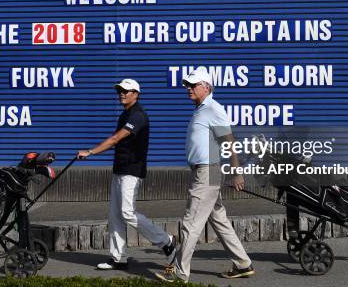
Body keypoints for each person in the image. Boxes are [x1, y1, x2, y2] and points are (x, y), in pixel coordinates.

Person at [155, 67, 255, 283]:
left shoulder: (213, 109)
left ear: (207, 87)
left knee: (190, 223)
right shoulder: (201, 109)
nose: (188, 89)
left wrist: (237, 173)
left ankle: (180, 274)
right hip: (202, 171)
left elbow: (229, 142)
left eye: (193, 85)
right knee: (219, 220)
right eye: (188, 85)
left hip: (207, 171)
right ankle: (243, 263)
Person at [77, 79, 176, 270]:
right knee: (115, 215)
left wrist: (90, 152)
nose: (121, 93)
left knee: (127, 213)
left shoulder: (138, 115)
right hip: (120, 169)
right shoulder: (125, 114)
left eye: (126, 91)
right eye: (120, 91)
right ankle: (118, 257)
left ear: (136, 94)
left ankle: (165, 241)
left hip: (132, 171)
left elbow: (115, 139)